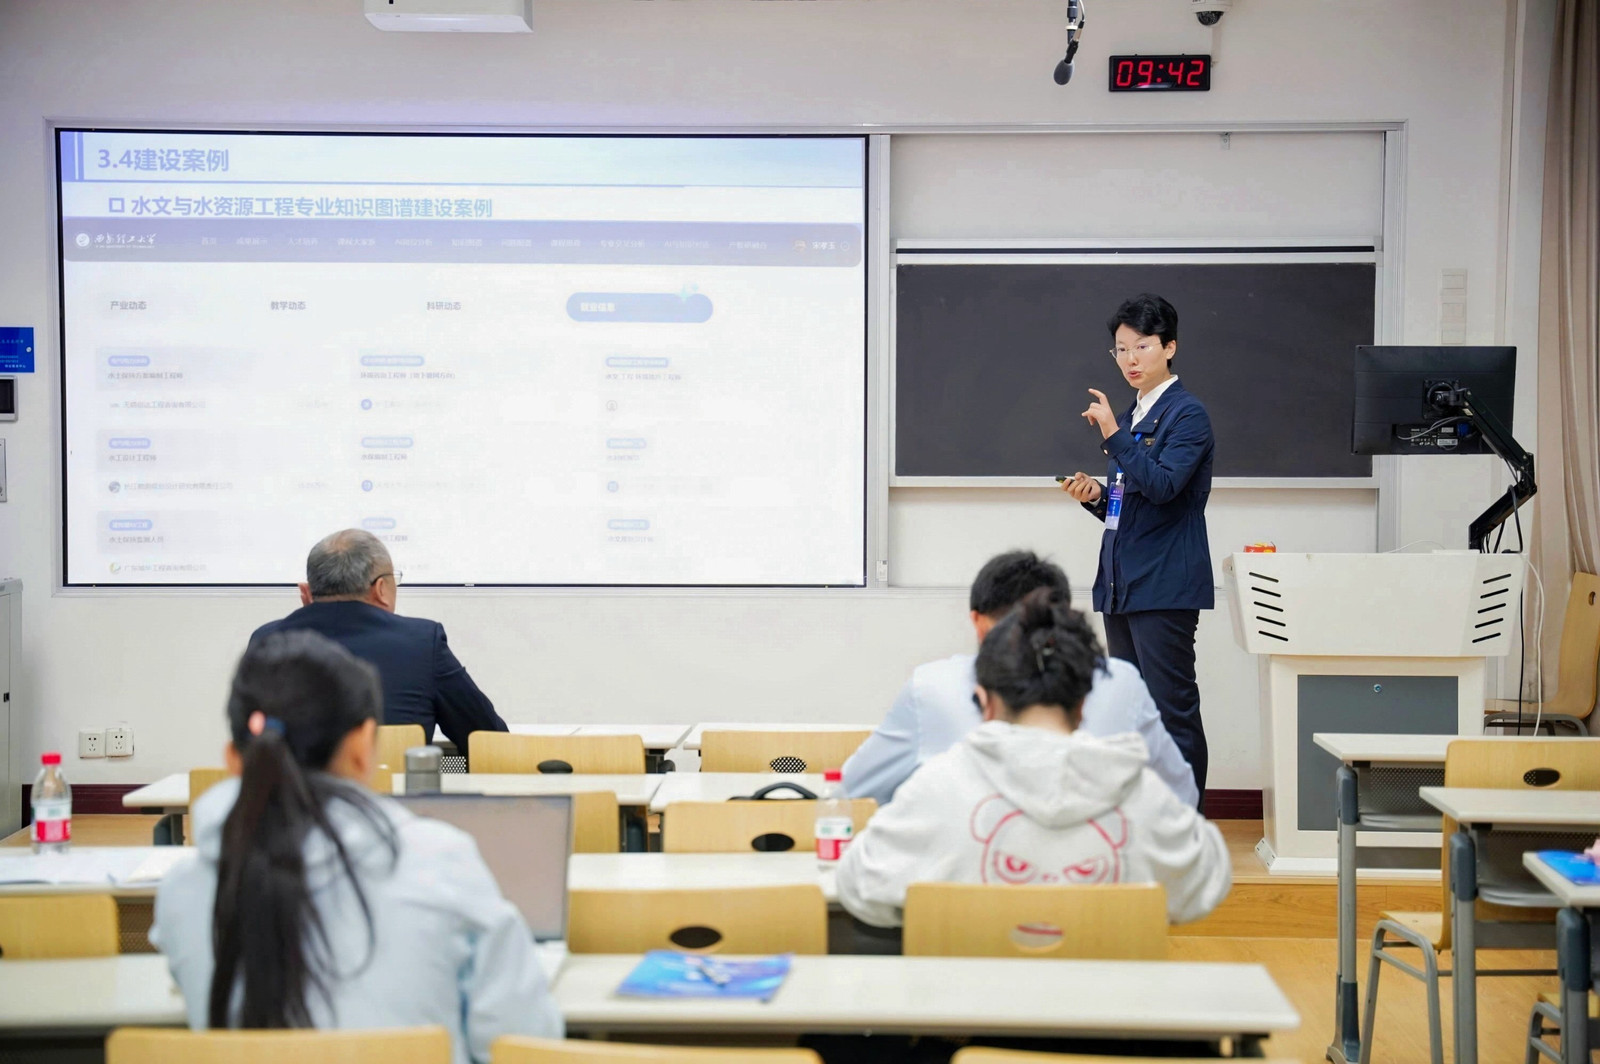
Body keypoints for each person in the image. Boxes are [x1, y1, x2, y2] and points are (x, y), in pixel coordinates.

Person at [152, 631, 561, 1064]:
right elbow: (525, 1042)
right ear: (364, 746)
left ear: (234, 760)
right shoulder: (442, 863)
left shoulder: (182, 893)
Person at [835, 587, 1230, 930]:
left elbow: (857, 885)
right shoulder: (1145, 796)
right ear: (1083, 703)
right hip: (1106, 994)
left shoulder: (937, 787)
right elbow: (1207, 879)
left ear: (983, 701)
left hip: (966, 994)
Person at [843, 550, 1197, 808]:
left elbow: (854, 792)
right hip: (1098, 886)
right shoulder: (1119, 681)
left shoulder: (933, 686)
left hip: (964, 888)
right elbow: (1180, 796)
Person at [1061, 293, 1215, 796]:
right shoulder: (1131, 416)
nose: (1130, 359)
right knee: (1132, 714)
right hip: (1122, 584)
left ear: (1169, 347)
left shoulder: (1186, 414)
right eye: (1121, 349)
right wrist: (1096, 496)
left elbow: (1165, 487)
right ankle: (1145, 819)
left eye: (1142, 346)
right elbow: (1131, 502)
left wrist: (1112, 434)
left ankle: (1184, 825)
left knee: (1171, 712)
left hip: (1165, 583)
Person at [249, 529, 506, 751]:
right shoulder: (422, 642)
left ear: (306, 592)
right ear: (381, 589)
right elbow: (490, 740)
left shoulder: (266, 640)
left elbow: (250, 742)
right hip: (390, 793)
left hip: (291, 794)